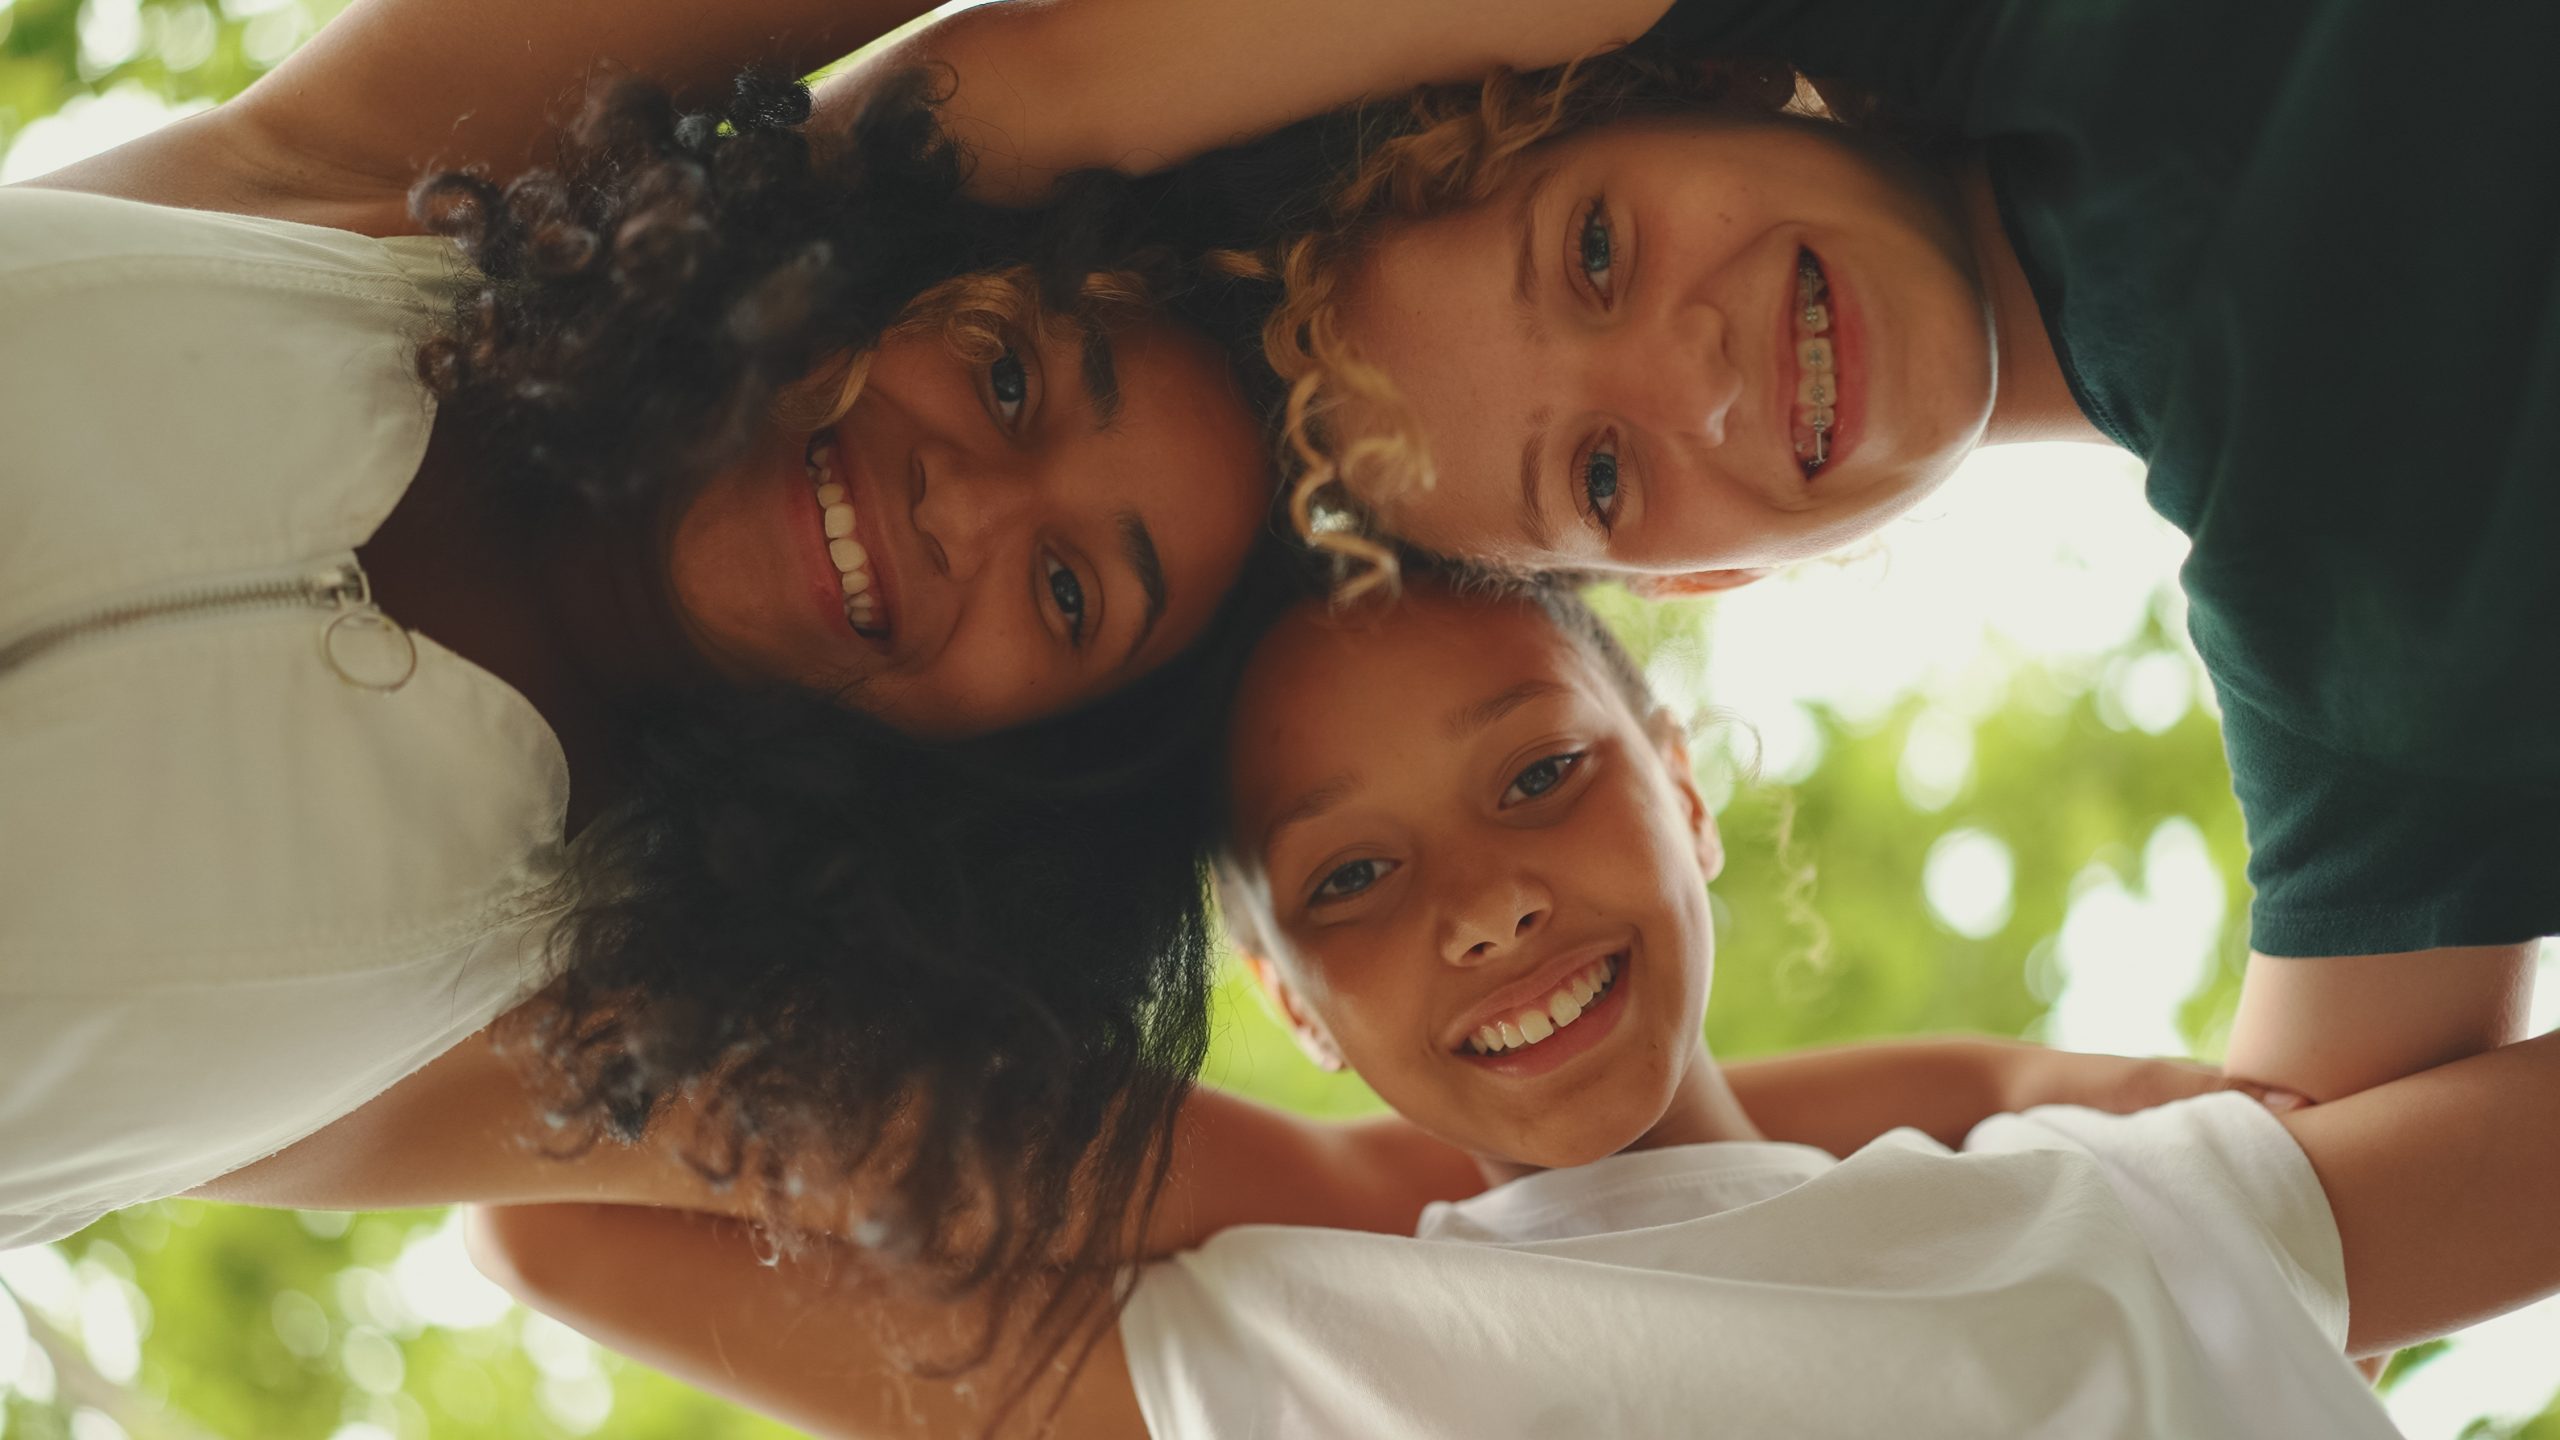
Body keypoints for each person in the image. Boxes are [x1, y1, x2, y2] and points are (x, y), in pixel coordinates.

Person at [858, 0, 2557, 1127]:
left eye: (1596, 250)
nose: (1699, 375)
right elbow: (2266, 1247)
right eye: (1599, 475)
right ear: (1692, 581)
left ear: (1692, 65)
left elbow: (1033, 87)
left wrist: (664, 287)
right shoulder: (2372, 684)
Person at [461, 578, 2560, 1438]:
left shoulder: (2111, 1223)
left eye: (1541, 775)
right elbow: (554, 1208)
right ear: (1276, 993)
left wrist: (1980, 1120)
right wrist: (1334, 1181)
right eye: (1352, 882)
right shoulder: (1271, 1360)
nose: (1479, 910)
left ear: (1684, 788)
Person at [0, 0, 1280, 1334]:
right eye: (1007, 379)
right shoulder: (359, 191)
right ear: (901, 279)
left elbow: (1362, 1238)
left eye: (1069, 591)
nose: (967, 508)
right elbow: (1055, 78)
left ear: (1000, 758)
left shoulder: (559, 1028)